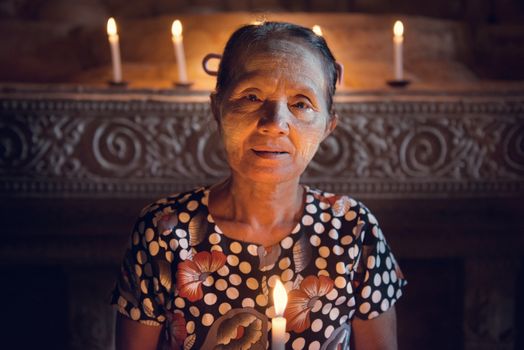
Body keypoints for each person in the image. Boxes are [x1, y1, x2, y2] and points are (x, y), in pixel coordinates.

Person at [111, 21, 406, 350]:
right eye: (251, 97)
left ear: (328, 125)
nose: (274, 124)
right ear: (217, 109)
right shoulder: (165, 232)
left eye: (301, 103)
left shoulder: (353, 229)